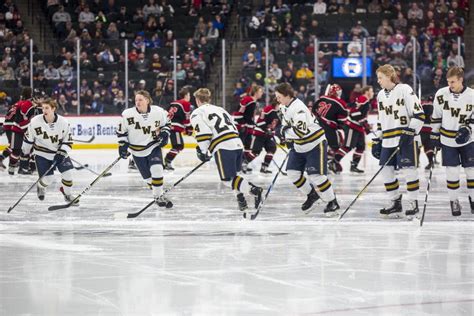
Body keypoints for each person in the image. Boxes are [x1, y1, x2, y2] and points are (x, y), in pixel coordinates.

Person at [190, 88, 262, 215]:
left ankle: (255, 190)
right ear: (209, 99)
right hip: (237, 143)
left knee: (227, 180)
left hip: (224, 146)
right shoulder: (220, 109)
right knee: (235, 177)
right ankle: (241, 199)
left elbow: (203, 134)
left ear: (197, 100)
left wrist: (203, 151)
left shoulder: (197, 113)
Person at [275, 83, 340, 216]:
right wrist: (287, 138)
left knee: (317, 176)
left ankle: (332, 202)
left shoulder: (299, 108)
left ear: (287, 96)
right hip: (299, 145)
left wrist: (283, 133)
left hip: (314, 144)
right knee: (292, 173)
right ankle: (312, 195)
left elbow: (300, 132)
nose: (277, 100)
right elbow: (286, 126)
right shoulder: (283, 106)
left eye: (279, 97)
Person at [372, 64, 424, 218]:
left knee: (409, 170)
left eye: (380, 77)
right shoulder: (380, 95)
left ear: (389, 76)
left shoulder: (404, 89)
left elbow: (419, 114)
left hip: (405, 138)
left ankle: (413, 202)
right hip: (388, 140)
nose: (379, 81)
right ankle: (395, 202)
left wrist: (410, 130)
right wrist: (377, 138)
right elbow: (381, 119)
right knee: (386, 171)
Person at [116, 90, 173, 208]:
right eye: (136, 100)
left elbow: (167, 123)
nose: (137, 102)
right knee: (148, 179)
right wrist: (122, 145)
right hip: (137, 151)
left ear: (147, 100)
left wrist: (165, 134)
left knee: (157, 169)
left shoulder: (159, 111)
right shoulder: (127, 114)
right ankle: (159, 193)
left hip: (153, 146)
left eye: (140, 99)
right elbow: (121, 132)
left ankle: (158, 197)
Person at [431, 66, 474, 216]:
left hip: (469, 141)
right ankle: (454, 201)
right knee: (452, 172)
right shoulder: (441, 94)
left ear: (461, 79)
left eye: (453, 82)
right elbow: (436, 116)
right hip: (448, 140)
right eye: (449, 82)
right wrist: (434, 135)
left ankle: (473, 199)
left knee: (471, 171)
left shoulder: (472, 95)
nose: (450, 85)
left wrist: (468, 129)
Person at [21, 98, 76, 203]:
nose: (44, 110)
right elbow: (28, 139)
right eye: (43, 108)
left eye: (47, 108)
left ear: (53, 109)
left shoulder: (63, 122)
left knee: (68, 174)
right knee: (48, 179)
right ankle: (41, 186)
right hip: (42, 154)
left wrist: (62, 152)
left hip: (59, 153)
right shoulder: (35, 121)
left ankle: (68, 195)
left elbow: (68, 141)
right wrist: (25, 153)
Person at [333, 85, 374, 173]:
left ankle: (354, 166)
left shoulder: (364, 100)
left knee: (361, 147)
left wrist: (366, 126)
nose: (373, 93)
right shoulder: (363, 99)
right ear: (367, 92)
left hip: (358, 127)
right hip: (352, 126)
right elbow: (353, 113)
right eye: (372, 91)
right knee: (347, 146)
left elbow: (358, 113)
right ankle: (334, 161)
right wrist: (364, 123)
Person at [312, 83, 348, 174]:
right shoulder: (341, 103)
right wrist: (340, 127)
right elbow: (342, 120)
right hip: (329, 129)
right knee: (335, 146)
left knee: (317, 146)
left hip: (316, 126)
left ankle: (315, 164)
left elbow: (313, 111)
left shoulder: (321, 98)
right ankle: (328, 164)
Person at [0, 87, 37, 174]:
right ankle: (8, 162)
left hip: (10, 124)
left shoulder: (18, 103)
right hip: (13, 125)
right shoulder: (26, 104)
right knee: (15, 147)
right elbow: (21, 118)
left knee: (15, 146)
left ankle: (12, 163)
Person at [232, 85, 264, 173]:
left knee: (247, 146)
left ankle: (242, 164)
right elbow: (241, 113)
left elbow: (244, 114)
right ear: (256, 92)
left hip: (245, 126)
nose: (262, 93)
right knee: (243, 145)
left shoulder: (250, 100)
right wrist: (243, 124)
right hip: (243, 127)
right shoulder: (250, 101)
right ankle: (237, 164)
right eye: (260, 91)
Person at [246, 97, 280, 174]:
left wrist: (277, 133)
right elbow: (260, 122)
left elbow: (278, 125)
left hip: (268, 136)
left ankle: (264, 167)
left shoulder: (280, 112)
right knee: (256, 152)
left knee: (272, 149)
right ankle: (244, 164)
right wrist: (266, 129)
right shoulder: (268, 109)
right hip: (259, 134)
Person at [163, 86, 193, 171]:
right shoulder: (186, 103)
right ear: (186, 95)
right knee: (178, 146)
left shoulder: (173, 102)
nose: (189, 97)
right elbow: (187, 118)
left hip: (166, 125)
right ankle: (167, 161)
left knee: (157, 144)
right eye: (189, 95)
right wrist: (189, 128)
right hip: (175, 127)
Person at [420, 96, 436, 170]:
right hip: (432, 130)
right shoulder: (436, 107)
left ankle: (416, 162)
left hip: (423, 130)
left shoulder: (423, 106)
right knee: (430, 147)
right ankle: (431, 161)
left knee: (424, 147)